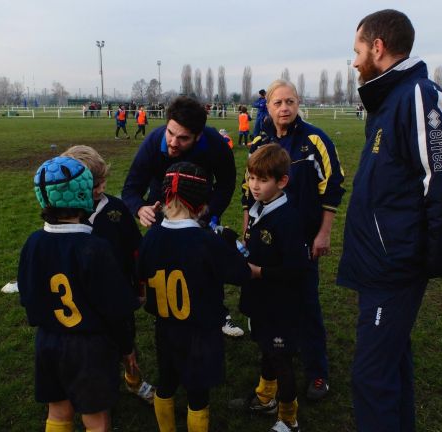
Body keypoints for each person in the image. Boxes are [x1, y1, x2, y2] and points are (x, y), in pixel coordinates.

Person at [337, 10, 442, 432]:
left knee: (371, 377)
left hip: (393, 270)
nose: (355, 60)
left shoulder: (417, 96)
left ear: (378, 48)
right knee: (391, 366)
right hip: (379, 265)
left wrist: (441, 259)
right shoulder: (389, 102)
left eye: (358, 50)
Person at [18, 156, 139, 432]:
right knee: (96, 419)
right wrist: (126, 347)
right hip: (89, 347)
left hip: (48, 342)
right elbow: (116, 309)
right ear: (84, 194)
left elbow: (27, 297)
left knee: (58, 412)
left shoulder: (33, 243)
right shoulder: (95, 248)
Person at [242, 79, 345, 400]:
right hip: (266, 241)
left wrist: (323, 232)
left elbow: (333, 186)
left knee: (306, 304)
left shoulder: (315, 139)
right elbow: (250, 189)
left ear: (298, 104)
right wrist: (247, 227)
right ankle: (276, 361)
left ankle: (317, 373)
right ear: (268, 107)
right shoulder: (259, 140)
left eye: (290, 102)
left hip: (302, 242)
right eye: (277, 103)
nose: (284, 108)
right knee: (271, 305)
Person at [137, 161, 256, 432]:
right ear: (202, 202)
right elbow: (241, 273)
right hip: (200, 332)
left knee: (165, 385)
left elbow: (140, 274)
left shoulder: (150, 238)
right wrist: (229, 240)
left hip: (164, 327)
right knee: (197, 394)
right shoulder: (208, 241)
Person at [122, 96, 244, 338]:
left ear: (198, 136)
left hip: (200, 209)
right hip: (164, 207)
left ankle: (218, 313)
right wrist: (139, 208)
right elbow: (130, 189)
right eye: (170, 133)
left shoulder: (215, 144)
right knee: (167, 261)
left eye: (183, 138)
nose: (173, 143)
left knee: (207, 261)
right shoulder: (153, 143)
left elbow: (227, 183)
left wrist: (210, 213)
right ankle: (167, 312)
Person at [60, 145, 156, 405]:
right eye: (94, 185)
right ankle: (95, 392)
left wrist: (140, 286)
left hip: (119, 294)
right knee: (94, 352)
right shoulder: (65, 217)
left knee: (127, 342)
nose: (101, 189)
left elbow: (135, 248)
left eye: (103, 182)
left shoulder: (116, 208)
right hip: (83, 303)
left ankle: (134, 381)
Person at [237, 143, 310, 432]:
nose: (254, 186)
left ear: (282, 182)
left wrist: (259, 271)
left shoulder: (288, 218)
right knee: (266, 349)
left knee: (281, 359)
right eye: (251, 178)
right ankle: (266, 397)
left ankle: (289, 419)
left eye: (262, 180)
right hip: (261, 300)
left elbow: (297, 269)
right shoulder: (259, 208)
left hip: (281, 304)